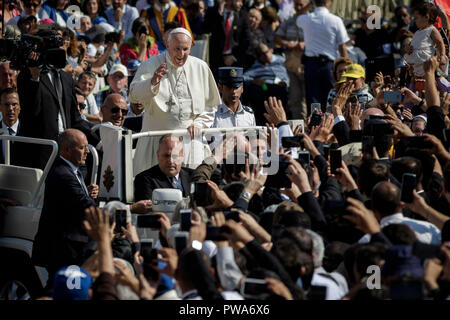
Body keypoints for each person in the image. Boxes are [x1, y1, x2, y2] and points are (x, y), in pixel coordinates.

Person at [129, 27, 221, 175]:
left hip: (189, 142)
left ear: (191, 47)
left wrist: (199, 123)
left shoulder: (200, 67)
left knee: (190, 188)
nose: (181, 54)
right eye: (176, 49)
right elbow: (134, 95)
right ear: (167, 46)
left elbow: (210, 106)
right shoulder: (150, 64)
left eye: (185, 49)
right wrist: (152, 82)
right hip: (156, 143)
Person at [16, 27, 99, 169]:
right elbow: (31, 113)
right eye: (52, 47)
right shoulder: (27, 75)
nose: (58, 51)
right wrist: (35, 76)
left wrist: (99, 141)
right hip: (39, 154)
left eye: (60, 46)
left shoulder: (67, 78)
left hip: (66, 152)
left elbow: (75, 119)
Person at [32, 129, 100, 295]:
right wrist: (130, 208)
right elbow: (85, 206)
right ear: (67, 150)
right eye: (82, 148)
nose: (88, 151)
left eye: (87, 147)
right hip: (63, 250)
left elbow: (74, 201)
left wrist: (86, 192)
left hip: (68, 248)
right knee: (63, 292)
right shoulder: (63, 173)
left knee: (58, 290)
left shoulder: (71, 170)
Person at [296, 0, 349, 112]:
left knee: (313, 98)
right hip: (329, 65)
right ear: (328, 3)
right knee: (331, 96)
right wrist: (348, 67)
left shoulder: (307, 18)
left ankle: (315, 123)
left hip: (311, 64)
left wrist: (310, 4)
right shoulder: (336, 20)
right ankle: (332, 122)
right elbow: (342, 47)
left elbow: (298, 16)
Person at [359, 181, 441, 245]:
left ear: (373, 210)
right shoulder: (429, 229)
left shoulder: (367, 241)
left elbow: (371, 267)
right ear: (402, 204)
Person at [134, 134, 194, 202]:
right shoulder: (144, 180)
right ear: (158, 155)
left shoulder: (194, 176)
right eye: (166, 156)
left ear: (182, 157)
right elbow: (148, 210)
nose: (171, 161)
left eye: (175, 156)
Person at [274, 0, 308, 119]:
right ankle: (298, 123)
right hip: (292, 64)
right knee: (295, 96)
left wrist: (305, 44)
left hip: (307, 63)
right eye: (297, 5)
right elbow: (277, 37)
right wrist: (288, 44)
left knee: (307, 96)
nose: (298, 7)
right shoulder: (290, 21)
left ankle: (309, 124)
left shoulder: (311, 20)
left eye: (301, 5)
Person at [243, 41, 289, 125]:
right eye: (261, 54)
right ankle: (262, 121)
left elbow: (289, 74)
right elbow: (244, 77)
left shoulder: (281, 61)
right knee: (256, 91)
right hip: (264, 86)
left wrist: (285, 82)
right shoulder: (256, 66)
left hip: (280, 86)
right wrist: (254, 81)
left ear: (271, 50)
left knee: (283, 91)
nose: (265, 56)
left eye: (266, 52)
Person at [202, 0, 251, 75]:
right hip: (215, 59)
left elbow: (246, 40)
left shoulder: (243, 15)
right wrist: (219, 15)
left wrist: (234, 56)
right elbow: (206, 30)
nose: (241, 4)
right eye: (239, 1)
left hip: (234, 60)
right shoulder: (212, 12)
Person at [404, 2, 448, 77]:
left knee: (434, 80)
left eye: (416, 18)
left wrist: (442, 56)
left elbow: (440, 43)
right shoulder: (417, 32)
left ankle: (446, 87)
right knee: (417, 81)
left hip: (427, 61)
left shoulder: (432, 30)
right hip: (417, 64)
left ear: (426, 17)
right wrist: (408, 48)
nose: (414, 21)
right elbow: (412, 44)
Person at [0, 88, 21, 165]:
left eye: (14, 104)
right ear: (0, 107)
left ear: (20, 107)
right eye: (6, 104)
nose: (10, 109)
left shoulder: (29, 132)